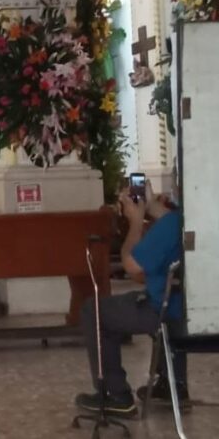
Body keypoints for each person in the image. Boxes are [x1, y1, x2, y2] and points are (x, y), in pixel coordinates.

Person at [73, 178, 187, 418]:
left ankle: (116, 396)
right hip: (194, 312)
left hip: (165, 312)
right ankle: (173, 384)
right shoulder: (191, 221)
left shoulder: (170, 226)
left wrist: (135, 222)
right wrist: (151, 207)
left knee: (94, 310)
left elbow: (132, 266)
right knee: (138, 301)